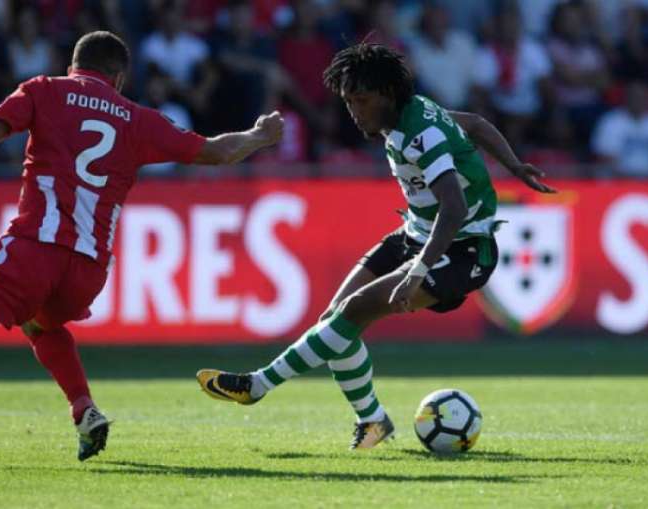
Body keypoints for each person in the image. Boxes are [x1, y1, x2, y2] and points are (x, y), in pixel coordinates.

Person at [0, 31, 284, 467]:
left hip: (33, 249)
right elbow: (215, 151)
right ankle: (83, 409)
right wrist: (258, 135)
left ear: (72, 66)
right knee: (41, 324)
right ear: (118, 79)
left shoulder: (46, 90)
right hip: (87, 272)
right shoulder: (137, 118)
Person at [196, 43, 555, 450]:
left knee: (351, 313)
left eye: (361, 100)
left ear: (386, 93)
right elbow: (473, 124)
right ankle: (373, 422)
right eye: (348, 101)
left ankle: (258, 384)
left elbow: (453, 209)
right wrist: (513, 164)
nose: (354, 111)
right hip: (417, 232)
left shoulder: (418, 133)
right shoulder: (412, 112)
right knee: (335, 320)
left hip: (463, 248)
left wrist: (418, 270)